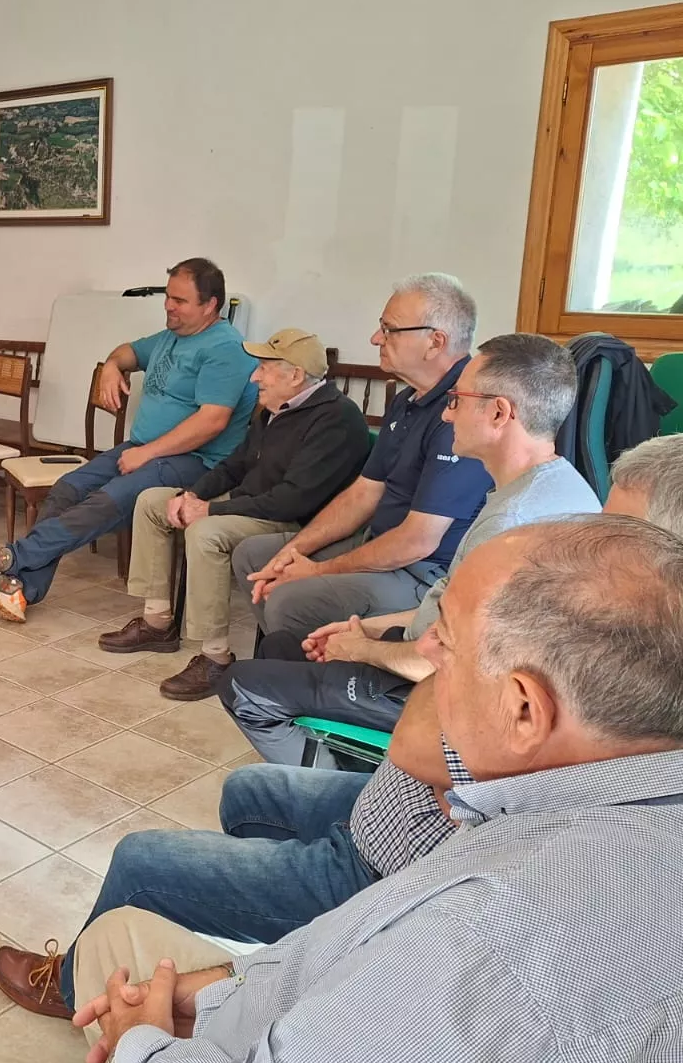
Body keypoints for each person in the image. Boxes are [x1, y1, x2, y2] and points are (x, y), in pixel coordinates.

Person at [0, 515, 683, 1063]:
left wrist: (145, 1044)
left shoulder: (502, 942)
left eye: (444, 643)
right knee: (118, 939)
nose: (422, 656)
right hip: (286, 1021)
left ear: (521, 710)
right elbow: (344, 955)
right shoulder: (596, 801)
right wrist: (211, 994)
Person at [218, 332, 600, 764]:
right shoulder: (543, 486)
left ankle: (353, 802)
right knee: (282, 646)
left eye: (456, 400)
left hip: (442, 699)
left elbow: (447, 664)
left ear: (498, 412)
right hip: (433, 654)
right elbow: (449, 615)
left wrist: (363, 649)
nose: (448, 414)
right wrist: (370, 628)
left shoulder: (512, 526)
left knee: (243, 684)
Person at [0, 258, 257, 622]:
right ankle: (22, 591)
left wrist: (146, 453)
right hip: (145, 449)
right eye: (168, 296)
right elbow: (127, 351)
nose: (168, 305)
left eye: (179, 300)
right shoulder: (171, 337)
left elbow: (212, 422)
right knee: (68, 487)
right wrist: (113, 367)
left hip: (197, 461)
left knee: (108, 499)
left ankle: (14, 558)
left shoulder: (224, 348)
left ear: (210, 305)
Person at [96, 329, 370, 700]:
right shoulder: (276, 410)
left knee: (204, 532)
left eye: (264, 368)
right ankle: (158, 621)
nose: (254, 376)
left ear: (295, 375)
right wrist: (191, 494)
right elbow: (235, 465)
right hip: (255, 505)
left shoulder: (335, 419)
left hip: (300, 525)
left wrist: (210, 509)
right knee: (152, 502)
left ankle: (215, 657)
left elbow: (292, 501)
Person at [231, 273, 493, 645]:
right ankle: (312, 659)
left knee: (291, 600)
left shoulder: (464, 410)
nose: (375, 339)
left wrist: (318, 571)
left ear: (436, 342)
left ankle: (322, 674)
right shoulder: (407, 400)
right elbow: (363, 494)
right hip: (380, 542)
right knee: (256, 557)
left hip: (425, 574)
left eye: (389, 330)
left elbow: (417, 541)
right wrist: (295, 552)